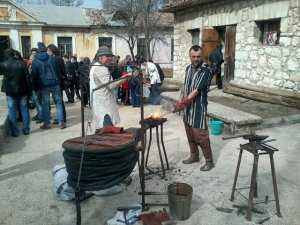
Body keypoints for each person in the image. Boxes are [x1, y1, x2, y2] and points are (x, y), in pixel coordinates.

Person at [174, 45, 214, 171]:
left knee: (200, 135)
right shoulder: (188, 68)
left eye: (198, 56)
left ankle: (209, 161)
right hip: (187, 108)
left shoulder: (205, 70)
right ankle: (194, 155)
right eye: (193, 56)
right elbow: (185, 86)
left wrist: (184, 102)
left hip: (198, 108)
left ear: (201, 56)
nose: (196, 59)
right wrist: (180, 99)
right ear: (190, 56)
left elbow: (196, 90)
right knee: (189, 133)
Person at [90, 46, 131, 129]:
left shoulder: (96, 66)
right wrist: (125, 78)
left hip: (101, 102)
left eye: (110, 57)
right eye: (107, 57)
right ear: (100, 58)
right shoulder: (100, 68)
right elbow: (111, 85)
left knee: (104, 129)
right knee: (107, 130)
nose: (110, 59)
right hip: (104, 105)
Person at [31, 42, 65, 129]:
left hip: (44, 85)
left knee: (45, 104)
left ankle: (47, 123)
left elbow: (34, 76)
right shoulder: (51, 58)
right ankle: (61, 123)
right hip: (55, 83)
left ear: (38, 51)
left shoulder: (35, 61)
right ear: (45, 49)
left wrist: (35, 87)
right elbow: (57, 70)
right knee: (58, 103)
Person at [0, 49, 31, 136]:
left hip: (10, 92)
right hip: (23, 90)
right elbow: (27, 77)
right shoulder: (22, 63)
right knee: (24, 110)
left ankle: (15, 131)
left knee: (12, 111)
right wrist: (29, 90)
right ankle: (26, 129)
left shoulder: (4, 64)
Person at [47, 44, 67, 123]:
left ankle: (60, 119)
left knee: (58, 102)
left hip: (52, 83)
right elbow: (63, 71)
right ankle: (62, 118)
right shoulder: (60, 59)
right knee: (60, 101)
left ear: (51, 51)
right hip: (59, 82)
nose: (47, 52)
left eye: (48, 50)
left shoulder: (49, 60)